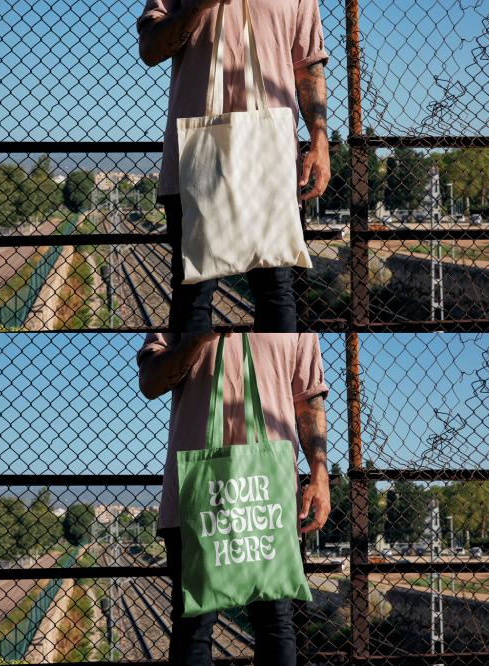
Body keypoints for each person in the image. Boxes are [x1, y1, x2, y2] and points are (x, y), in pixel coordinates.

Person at [136, 332, 331, 665]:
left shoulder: (286, 305)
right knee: (193, 624)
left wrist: (320, 475)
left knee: (275, 623)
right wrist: (196, 337)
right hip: (197, 495)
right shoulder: (189, 298)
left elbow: (308, 400)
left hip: (269, 495)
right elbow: (151, 383)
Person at [136, 1, 331, 332]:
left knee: (277, 291)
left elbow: (308, 66)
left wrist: (320, 143)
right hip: (196, 158)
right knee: (192, 291)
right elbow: (150, 50)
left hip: (271, 160)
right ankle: (197, 379)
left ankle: (274, 382)